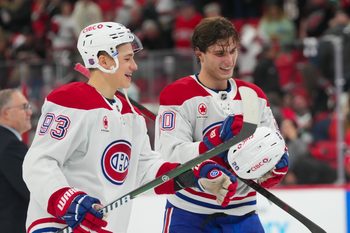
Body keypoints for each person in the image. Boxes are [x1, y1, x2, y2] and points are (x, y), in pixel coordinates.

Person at [22, 21, 240, 233]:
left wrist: (195, 174)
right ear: (105, 61)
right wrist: (68, 200)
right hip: (62, 226)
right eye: (127, 58)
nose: (134, 66)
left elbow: (145, 169)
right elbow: (39, 162)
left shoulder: (131, 115)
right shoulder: (72, 100)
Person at [155, 16, 289, 233]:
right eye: (219, 53)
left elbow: (276, 146)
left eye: (233, 51)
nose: (229, 60)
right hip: (190, 214)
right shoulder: (177, 95)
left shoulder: (253, 97)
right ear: (199, 54)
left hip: (242, 214)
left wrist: (274, 166)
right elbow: (168, 154)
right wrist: (214, 143)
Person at [0, 88, 32, 233]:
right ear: (6, 113)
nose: (29, 112)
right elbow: (33, 188)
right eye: (24, 107)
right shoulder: (9, 145)